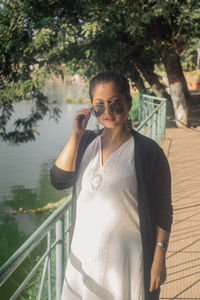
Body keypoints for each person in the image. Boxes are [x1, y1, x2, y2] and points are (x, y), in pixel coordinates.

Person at [50, 71, 173, 300]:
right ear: (91, 107)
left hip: (127, 259)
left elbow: (164, 210)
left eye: (115, 103)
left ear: (128, 102)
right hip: (84, 256)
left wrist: (159, 259)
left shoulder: (148, 152)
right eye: (99, 105)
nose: (107, 112)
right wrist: (76, 134)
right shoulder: (86, 142)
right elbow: (59, 180)